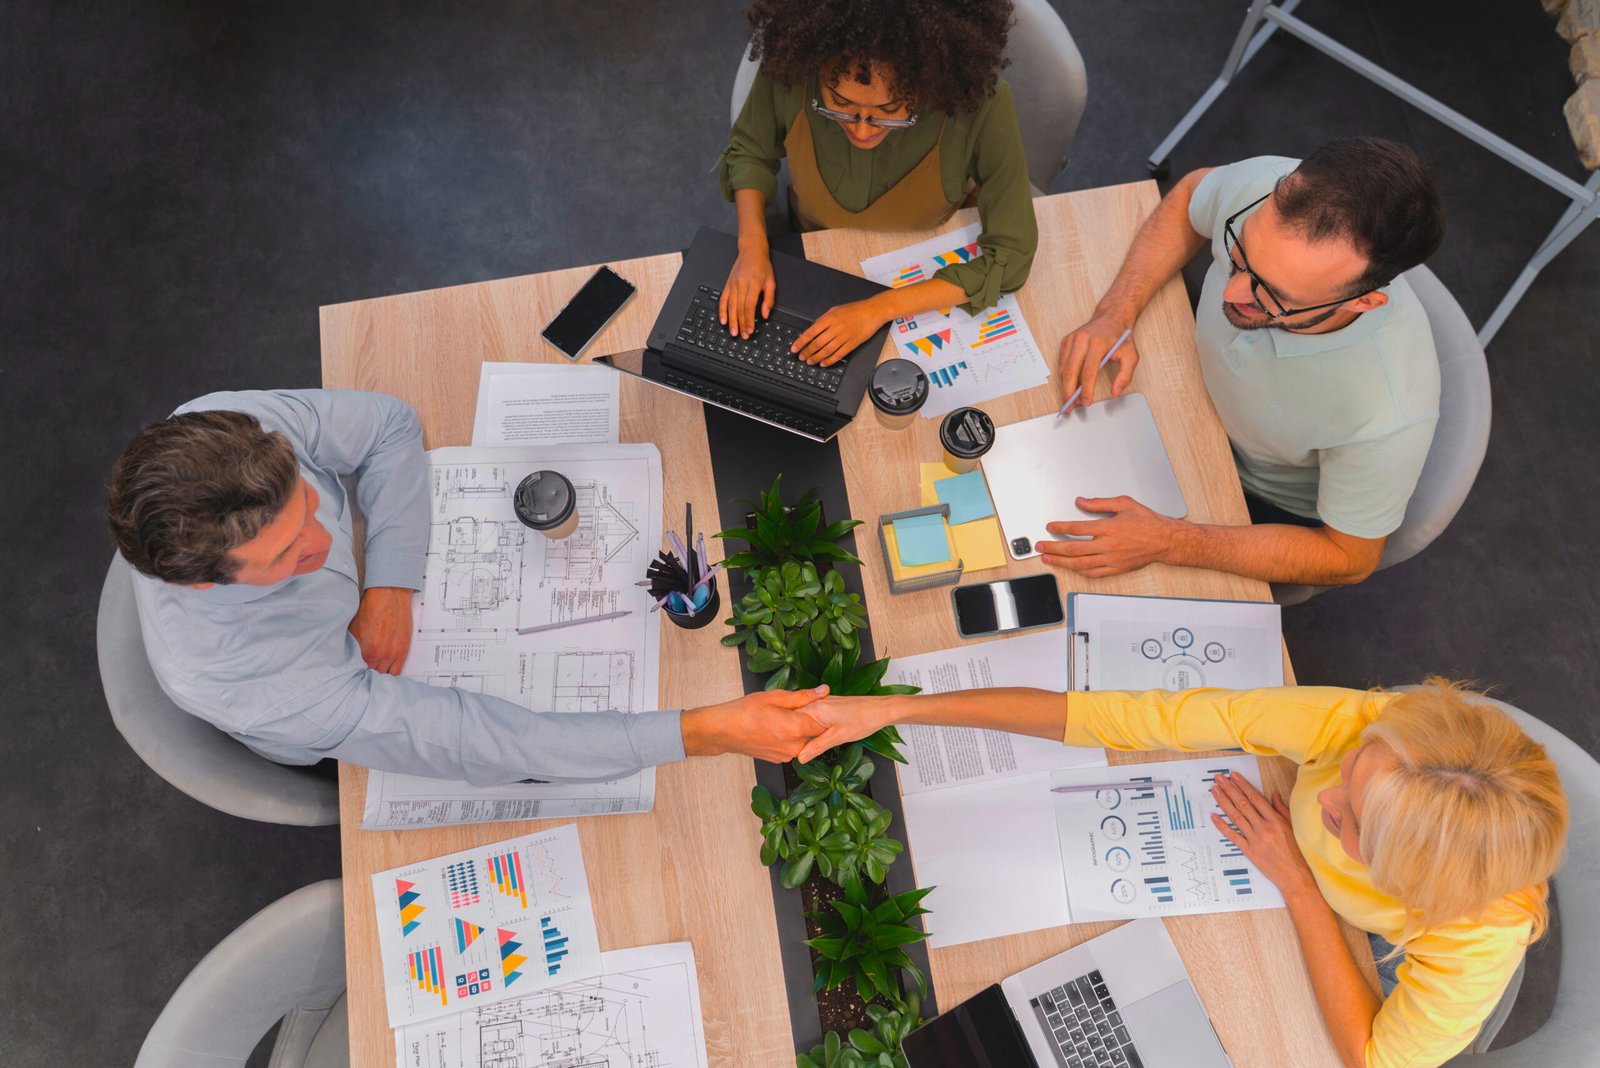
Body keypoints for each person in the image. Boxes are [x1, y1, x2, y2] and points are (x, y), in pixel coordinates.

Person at [795, 681, 1568, 1068]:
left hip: (1422, 1002)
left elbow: (1374, 1055)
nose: (1324, 792)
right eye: (1354, 774)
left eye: (1348, 821)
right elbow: (1128, 715)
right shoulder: (1356, 724)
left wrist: (1301, 886)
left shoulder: (1473, 937)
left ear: (1409, 881)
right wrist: (894, 710)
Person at [107, 389, 829, 784]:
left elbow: (388, 425)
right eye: (291, 554)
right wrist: (705, 731)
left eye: (309, 503)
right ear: (205, 586)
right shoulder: (262, 680)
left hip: (378, 627)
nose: (326, 542)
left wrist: (387, 581)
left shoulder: (225, 428)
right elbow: (489, 741)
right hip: (332, 718)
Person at [1047, 138, 1446, 586]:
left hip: (1252, 499)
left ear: (1365, 302)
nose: (1230, 293)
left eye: (1274, 294)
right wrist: (1114, 312)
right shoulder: (1261, 187)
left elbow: (1348, 556)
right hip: (1189, 400)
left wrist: (1172, 541)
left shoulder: (1388, 413)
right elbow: (1190, 196)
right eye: (1240, 256)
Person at [716, 0, 1037, 367]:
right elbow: (750, 151)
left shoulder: (980, 102)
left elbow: (1011, 257)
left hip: (929, 251)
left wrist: (880, 308)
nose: (862, 130)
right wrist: (751, 247)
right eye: (838, 103)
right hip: (816, 248)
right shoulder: (792, 69)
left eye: (889, 112)